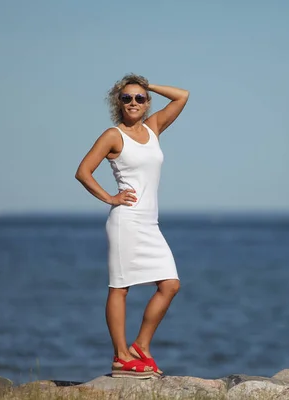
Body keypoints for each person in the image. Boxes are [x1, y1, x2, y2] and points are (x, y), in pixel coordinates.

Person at [75, 74, 189, 378]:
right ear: (118, 102)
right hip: (126, 221)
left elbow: (182, 96)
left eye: (139, 98)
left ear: (147, 102)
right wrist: (111, 198)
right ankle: (120, 356)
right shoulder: (113, 135)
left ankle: (140, 346)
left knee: (170, 285)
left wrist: (145, 84)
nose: (134, 103)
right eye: (127, 98)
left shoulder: (153, 128)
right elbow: (83, 172)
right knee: (120, 288)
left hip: (150, 224)